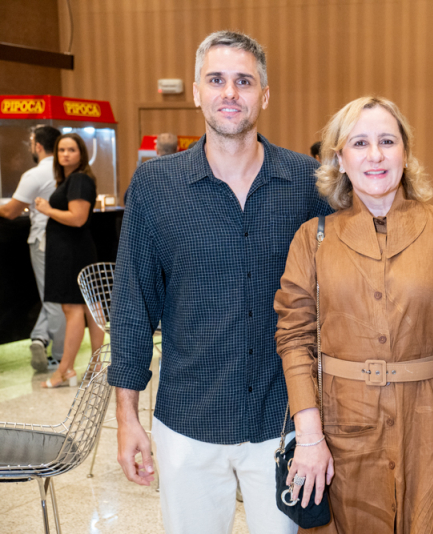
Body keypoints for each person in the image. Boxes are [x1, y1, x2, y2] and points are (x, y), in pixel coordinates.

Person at [108, 30, 332, 534]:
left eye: (244, 81)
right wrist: (127, 419)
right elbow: (132, 306)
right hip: (188, 422)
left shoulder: (307, 183)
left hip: (283, 424)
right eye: (216, 80)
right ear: (196, 92)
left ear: (264, 95)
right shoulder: (155, 186)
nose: (230, 93)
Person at [275, 96, 433, 534]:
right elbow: (295, 339)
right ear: (339, 157)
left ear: (405, 153)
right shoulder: (312, 239)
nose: (374, 155)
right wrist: (310, 437)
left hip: (431, 427)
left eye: (387, 141)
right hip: (340, 429)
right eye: (359, 143)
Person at [34, 133, 106, 388]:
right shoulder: (72, 179)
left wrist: (47, 209)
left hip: (72, 251)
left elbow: (77, 218)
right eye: (61, 149)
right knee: (91, 308)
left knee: (74, 309)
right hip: (73, 249)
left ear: (81, 154)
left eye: (71, 149)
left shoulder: (78, 179)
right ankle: (94, 366)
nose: (65, 154)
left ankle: (65, 369)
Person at [0, 125, 66, 372]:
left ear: (38, 145)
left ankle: (58, 356)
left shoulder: (35, 174)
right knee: (56, 296)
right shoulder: (67, 171)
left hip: (43, 241)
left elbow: (10, 211)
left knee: (52, 298)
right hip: (65, 242)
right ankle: (39, 337)